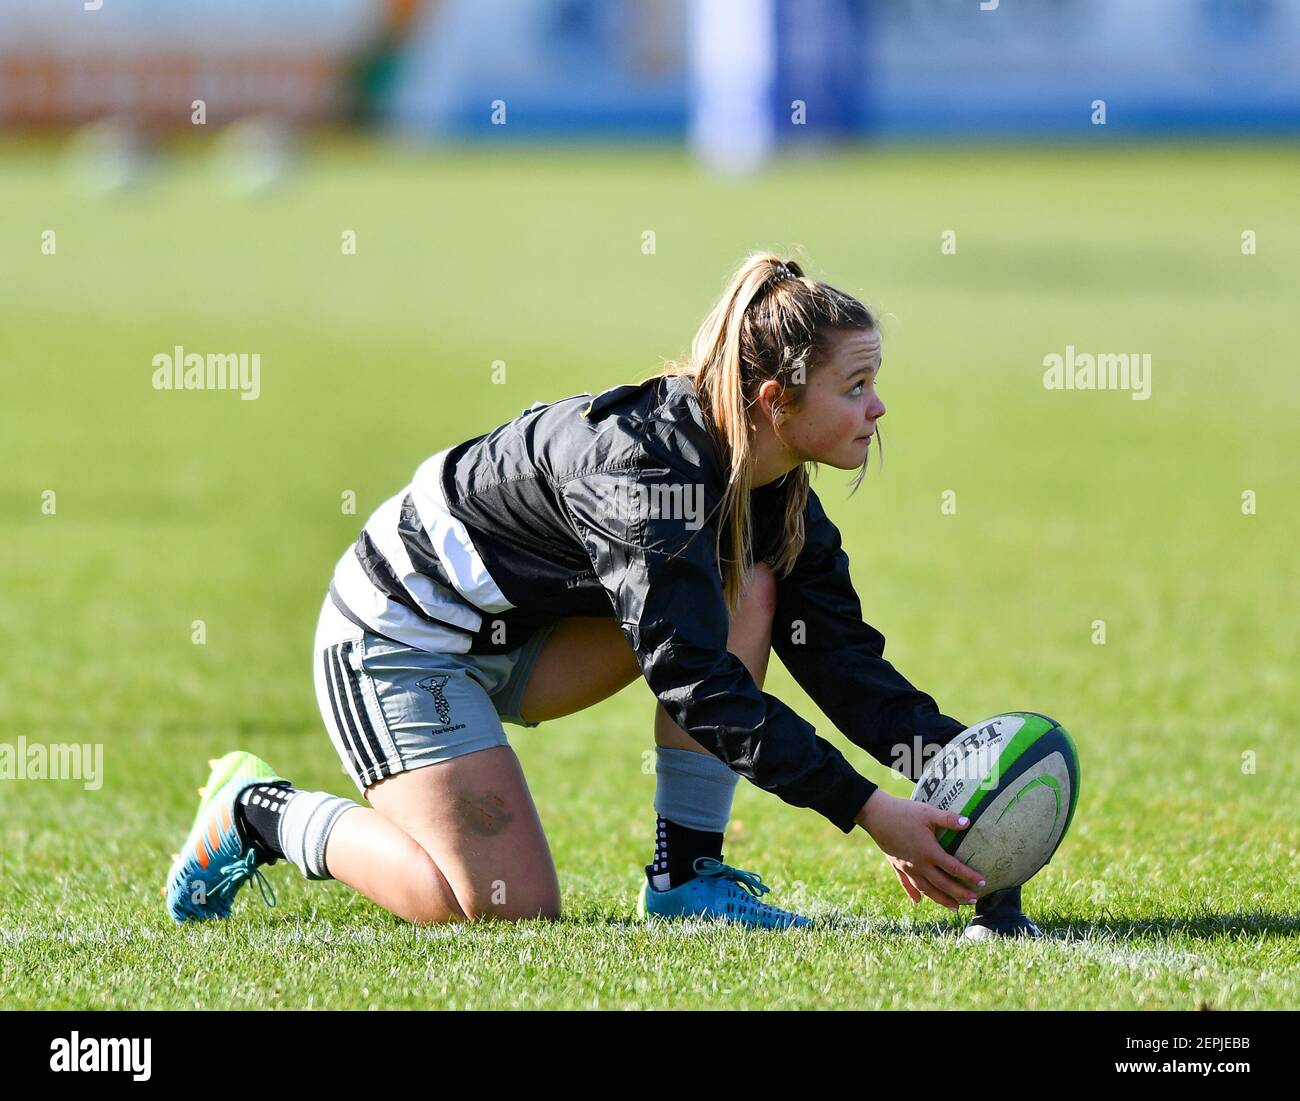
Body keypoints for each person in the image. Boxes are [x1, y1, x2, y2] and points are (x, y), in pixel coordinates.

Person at [163, 252, 1040, 937]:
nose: (877, 408)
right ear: (775, 398)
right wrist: (868, 808)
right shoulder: (643, 472)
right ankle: (259, 812)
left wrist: (961, 779)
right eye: (855, 388)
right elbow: (695, 678)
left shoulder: (772, 482)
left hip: (521, 635)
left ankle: (688, 878)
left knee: (752, 582)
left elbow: (841, 658)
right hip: (397, 640)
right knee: (496, 910)